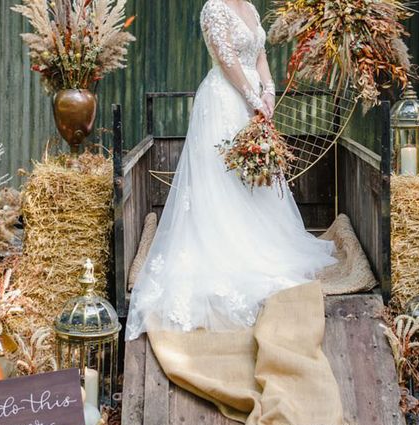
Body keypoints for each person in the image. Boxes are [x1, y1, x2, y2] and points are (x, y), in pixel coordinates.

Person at [126, 0, 335, 340]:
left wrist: (269, 91)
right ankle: (226, 247)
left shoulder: (250, 9)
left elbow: (260, 55)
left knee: (257, 175)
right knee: (225, 176)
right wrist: (253, 97)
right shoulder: (214, 9)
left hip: (255, 103)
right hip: (226, 100)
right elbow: (227, 59)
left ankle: (260, 243)